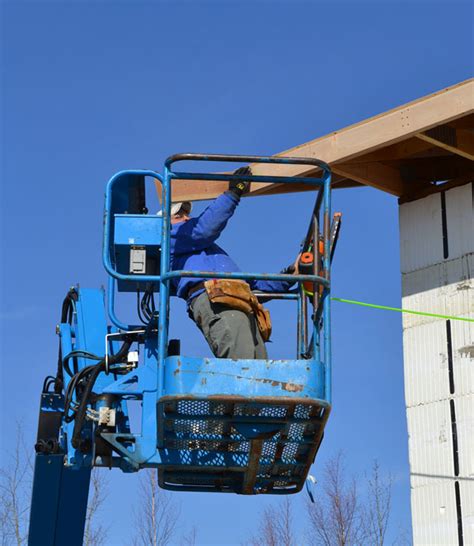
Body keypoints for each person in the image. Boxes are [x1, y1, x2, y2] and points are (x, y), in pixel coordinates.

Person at [167, 167, 296, 359]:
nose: (187, 218)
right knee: (242, 366)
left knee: (260, 371)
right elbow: (204, 229)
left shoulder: (209, 256)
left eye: (187, 214)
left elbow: (250, 286)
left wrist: (289, 276)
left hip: (234, 297)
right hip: (214, 299)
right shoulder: (169, 237)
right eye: (179, 216)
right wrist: (232, 194)